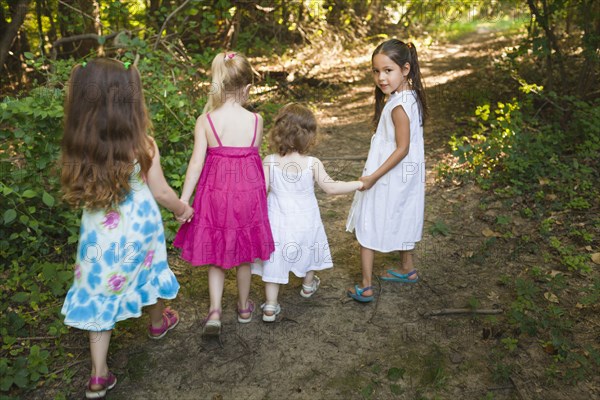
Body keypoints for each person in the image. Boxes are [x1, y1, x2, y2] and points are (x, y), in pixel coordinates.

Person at [60, 58, 193, 399]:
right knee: (147, 272)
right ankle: (157, 322)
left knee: (100, 291)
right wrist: (182, 209)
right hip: (141, 229)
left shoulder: (82, 145)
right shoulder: (143, 145)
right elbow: (161, 191)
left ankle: (98, 374)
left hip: (98, 235)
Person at [174, 52, 274, 336]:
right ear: (248, 88)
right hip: (247, 193)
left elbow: (196, 163)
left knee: (216, 254)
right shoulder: (256, 120)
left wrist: (183, 200)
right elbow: (252, 157)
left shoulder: (205, 121)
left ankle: (215, 311)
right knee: (244, 253)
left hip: (215, 194)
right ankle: (243, 307)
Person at [252, 103, 363, 321]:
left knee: (274, 258)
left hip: (277, 220)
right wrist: (358, 184)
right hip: (305, 220)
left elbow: (260, 192)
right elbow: (331, 188)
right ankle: (308, 285)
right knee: (310, 248)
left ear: (278, 133)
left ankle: (270, 307)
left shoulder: (270, 161)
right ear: (308, 136)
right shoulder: (312, 163)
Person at [346, 39, 429, 302]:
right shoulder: (409, 96)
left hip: (389, 174)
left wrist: (372, 176)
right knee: (404, 213)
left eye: (388, 70)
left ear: (405, 69)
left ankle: (366, 285)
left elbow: (402, 148)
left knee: (368, 219)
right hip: (406, 176)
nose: (381, 77)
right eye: (376, 71)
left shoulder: (399, 106)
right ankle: (408, 268)